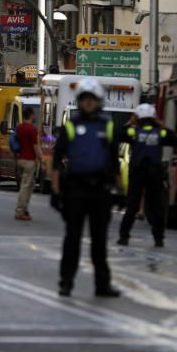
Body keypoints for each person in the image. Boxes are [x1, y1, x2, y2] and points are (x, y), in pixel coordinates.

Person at [52, 77, 122, 298]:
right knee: (72, 239)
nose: (88, 103)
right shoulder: (71, 126)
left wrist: (120, 192)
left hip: (100, 190)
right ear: (79, 101)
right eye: (85, 99)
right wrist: (55, 192)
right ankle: (66, 283)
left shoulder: (107, 126)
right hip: (76, 190)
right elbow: (56, 161)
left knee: (99, 241)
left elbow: (114, 162)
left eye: (92, 99)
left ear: (98, 100)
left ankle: (103, 285)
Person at [117, 103, 177, 247]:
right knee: (156, 207)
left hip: (137, 172)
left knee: (132, 207)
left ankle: (124, 237)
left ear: (137, 117)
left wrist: (130, 122)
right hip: (154, 173)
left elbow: (118, 134)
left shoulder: (134, 132)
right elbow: (176, 139)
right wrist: (162, 125)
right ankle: (159, 239)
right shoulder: (160, 133)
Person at [15, 106, 42, 221]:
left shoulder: (19, 128)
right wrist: (42, 160)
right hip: (29, 160)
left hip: (20, 159)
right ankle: (20, 211)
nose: (35, 116)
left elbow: (14, 143)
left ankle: (24, 209)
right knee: (25, 186)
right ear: (31, 115)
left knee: (29, 185)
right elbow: (36, 147)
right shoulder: (32, 129)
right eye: (34, 114)